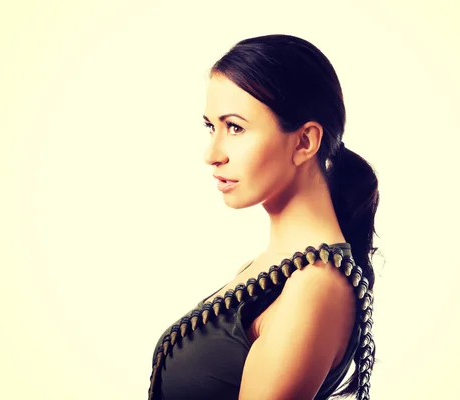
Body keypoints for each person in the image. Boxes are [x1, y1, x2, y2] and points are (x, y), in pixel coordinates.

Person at [147, 34, 379, 400]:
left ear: (304, 142)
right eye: (211, 127)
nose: (212, 153)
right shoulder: (271, 267)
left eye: (235, 127)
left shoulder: (313, 287)